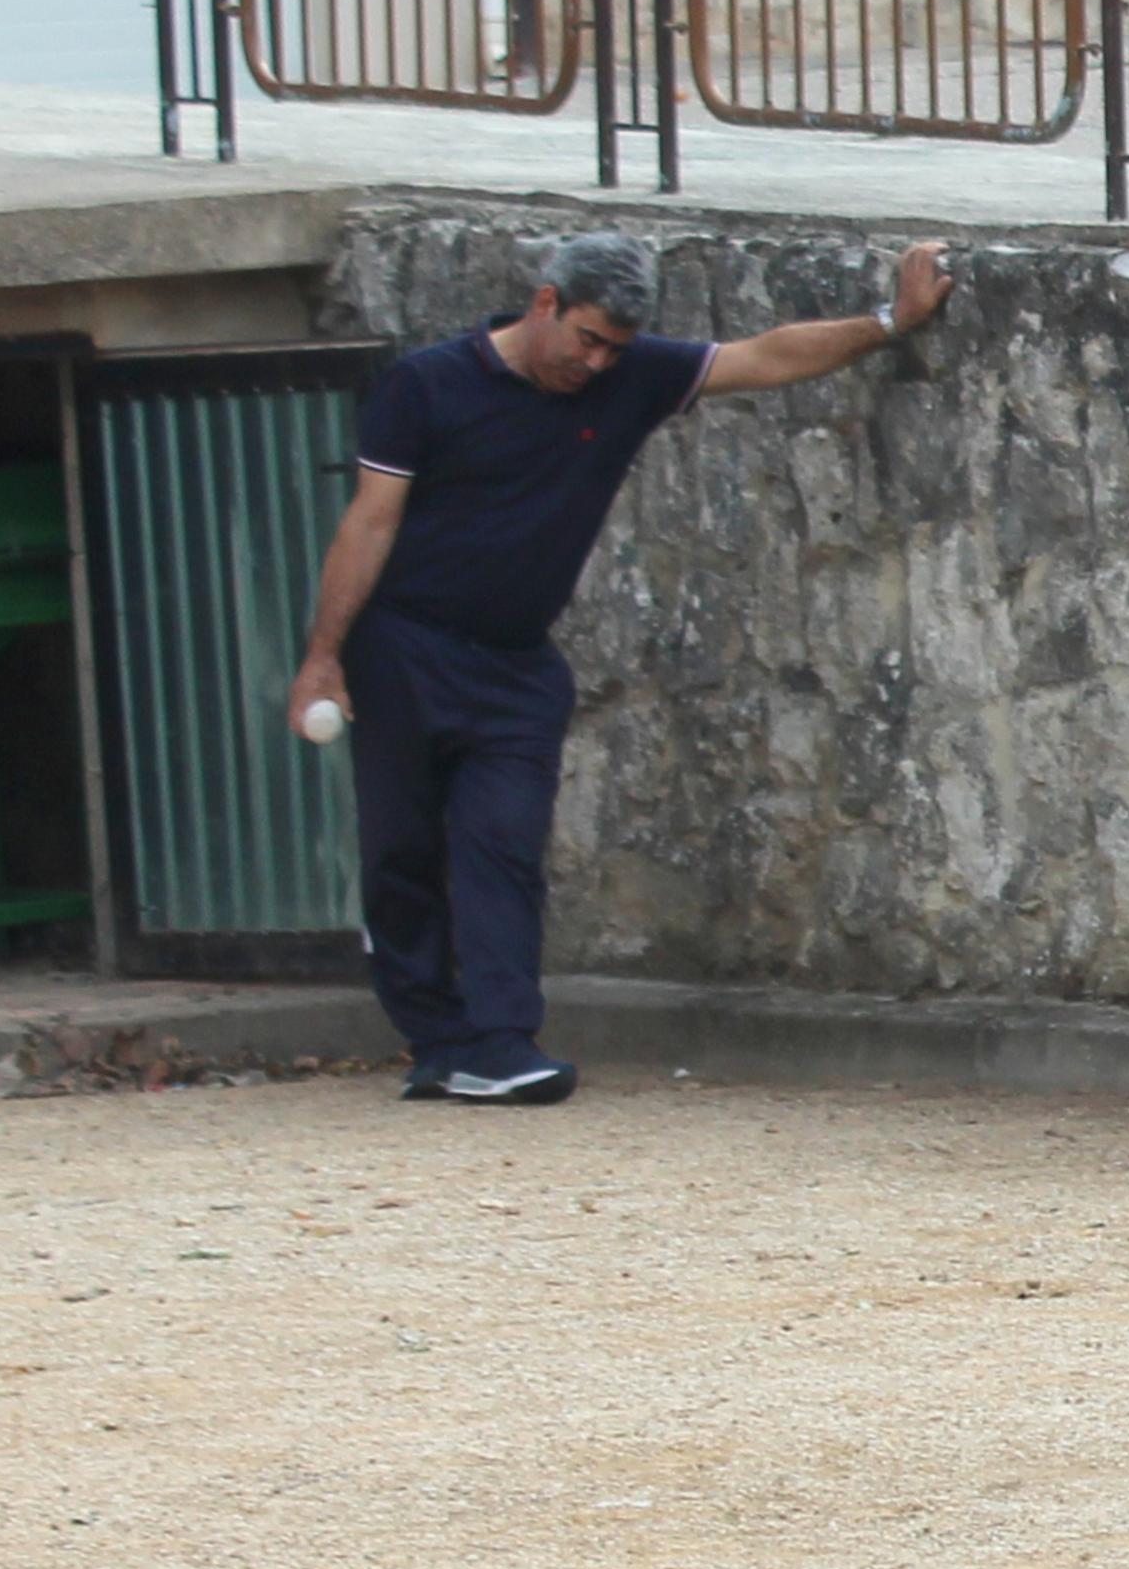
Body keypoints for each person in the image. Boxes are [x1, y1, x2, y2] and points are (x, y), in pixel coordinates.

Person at [287, 231, 956, 1104]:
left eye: (616, 348)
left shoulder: (630, 378)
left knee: (503, 845)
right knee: (401, 854)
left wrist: (887, 320)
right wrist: (323, 659)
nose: (597, 362)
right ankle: (436, 1039)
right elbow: (369, 524)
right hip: (405, 646)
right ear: (544, 303)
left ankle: (498, 1042)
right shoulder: (428, 385)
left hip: (516, 662)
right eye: (587, 338)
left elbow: (761, 358)